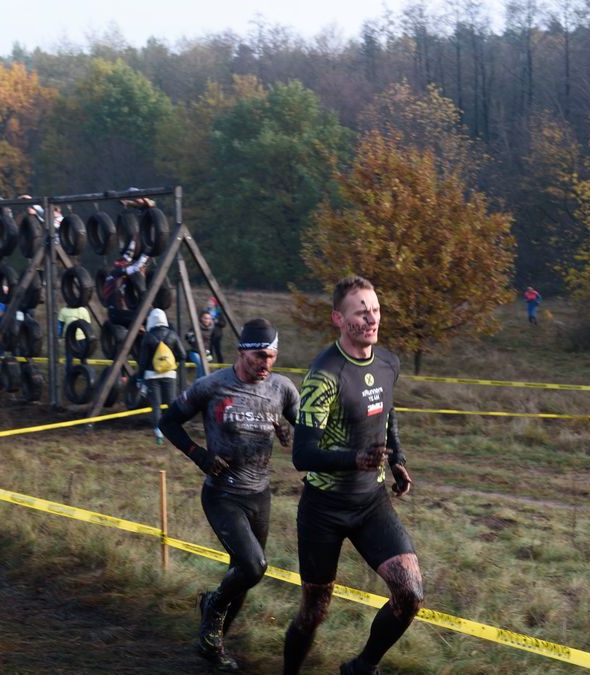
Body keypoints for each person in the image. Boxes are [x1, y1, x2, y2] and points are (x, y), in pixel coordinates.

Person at [283, 275, 422, 675]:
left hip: (371, 502)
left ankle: (362, 667)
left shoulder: (388, 362)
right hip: (323, 510)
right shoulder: (324, 375)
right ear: (338, 319)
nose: (371, 319)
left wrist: (396, 455)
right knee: (313, 613)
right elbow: (303, 454)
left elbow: (387, 411)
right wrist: (354, 458)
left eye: (376, 311)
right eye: (361, 313)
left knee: (409, 594)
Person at [158, 318, 299, 671]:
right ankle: (211, 608)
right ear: (242, 353)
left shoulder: (282, 388)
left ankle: (213, 644)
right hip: (222, 494)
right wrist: (199, 456)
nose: (267, 364)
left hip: (259, 495)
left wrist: (290, 436)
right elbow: (168, 421)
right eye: (260, 357)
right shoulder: (212, 385)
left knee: (245, 574)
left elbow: (307, 429)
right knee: (254, 565)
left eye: (272, 357)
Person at [138, 308, 185, 445]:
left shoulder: (147, 336)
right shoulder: (172, 334)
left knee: (156, 405)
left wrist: (140, 378)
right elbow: (182, 355)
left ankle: (159, 434)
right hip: (169, 374)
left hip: (152, 375)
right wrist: (171, 363)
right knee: (171, 403)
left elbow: (143, 361)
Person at [185, 310, 222, 378]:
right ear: (201, 319)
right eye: (205, 318)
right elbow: (187, 337)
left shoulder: (213, 329)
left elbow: (215, 340)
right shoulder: (195, 327)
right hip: (195, 352)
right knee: (201, 364)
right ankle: (198, 384)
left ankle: (204, 383)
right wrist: (193, 340)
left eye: (208, 318)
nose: (207, 320)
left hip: (206, 352)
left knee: (208, 368)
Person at [58, 302, 92, 371]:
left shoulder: (82, 310)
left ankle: (86, 376)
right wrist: (59, 337)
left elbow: (88, 326)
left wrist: (89, 338)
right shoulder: (63, 311)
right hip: (70, 339)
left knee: (83, 360)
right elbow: (60, 326)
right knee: (69, 361)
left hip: (82, 338)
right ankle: (69, 379)